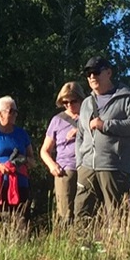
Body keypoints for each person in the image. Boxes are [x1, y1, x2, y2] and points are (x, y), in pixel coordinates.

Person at [74, 58, 130, 220]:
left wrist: (105, 125)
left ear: (108, 73)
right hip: (87, 166)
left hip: (114, 165)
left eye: (96, 72)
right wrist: (79, 163)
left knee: (116, 212)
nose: (92, 76)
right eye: (88, 73)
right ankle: (81, 245)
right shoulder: (86, 103)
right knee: (82, 212)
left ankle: (115, 245)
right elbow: (80, 135)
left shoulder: (126, 98)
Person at [0, 96, 34, 218]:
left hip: (19, 185)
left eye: (16, 111)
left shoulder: (22, 134)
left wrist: (23, 160)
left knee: (20, 224)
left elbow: (33, 161)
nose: (15, 114)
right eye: (11, 111)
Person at [41, 82, 84, 225]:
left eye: (73, 101)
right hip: (65, 169)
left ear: (80, 99)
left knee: (85, 211)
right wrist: (52, 165)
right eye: (65, 102)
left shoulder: (89, 116)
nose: (69, 105)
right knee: (65, 214)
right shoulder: (57, 120)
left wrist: (81, 130)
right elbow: (44, 150)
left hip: (87, 167)